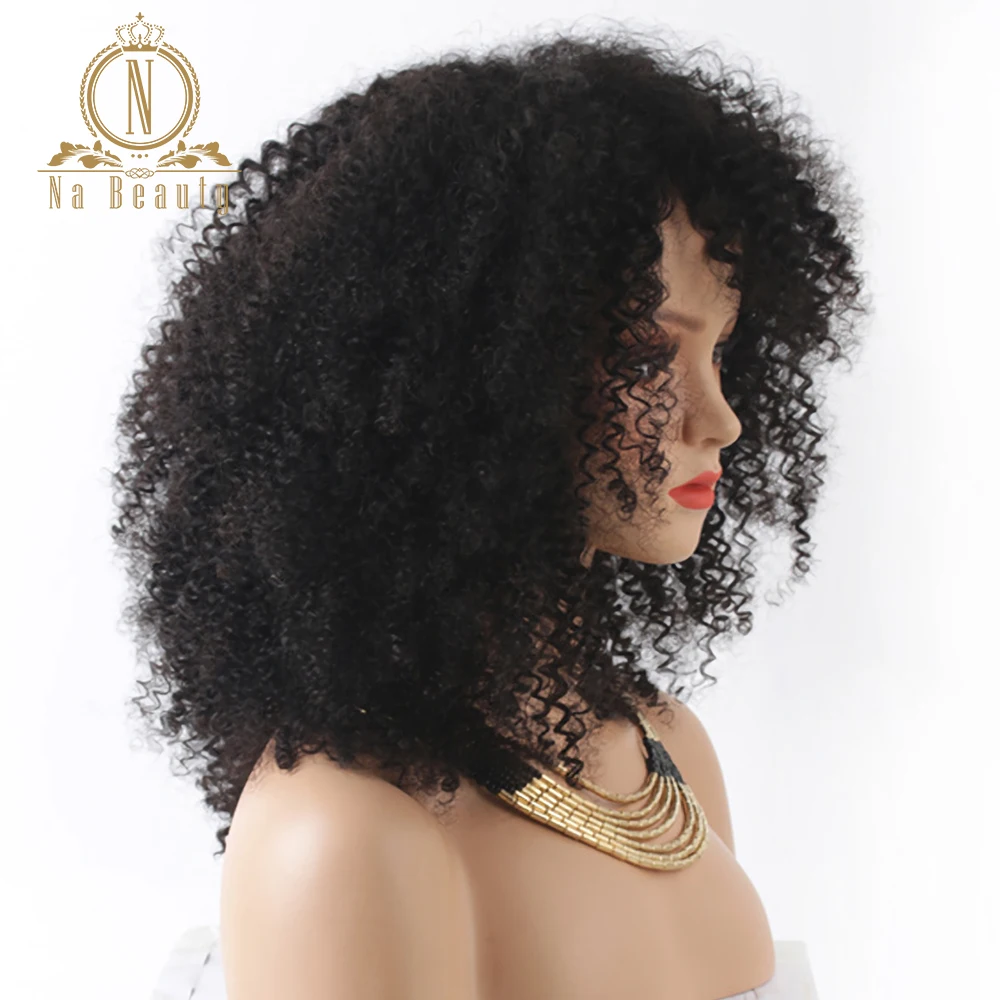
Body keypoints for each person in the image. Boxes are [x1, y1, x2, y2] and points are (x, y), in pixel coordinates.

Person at [110, 28, 870, 1000]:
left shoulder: (666, 752)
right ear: (475, 371)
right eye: (648, 355)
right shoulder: (347, 834)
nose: (718, 418)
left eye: (718, 351)